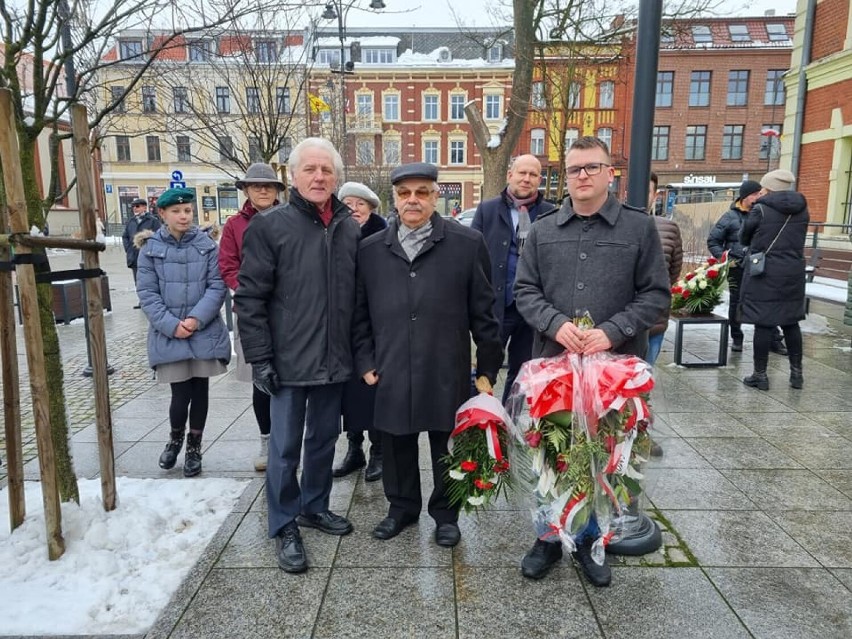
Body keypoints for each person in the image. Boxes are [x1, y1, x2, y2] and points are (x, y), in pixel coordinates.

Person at [514, 136, 670, 587]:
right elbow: (525, 291)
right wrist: (555, 323)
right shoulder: (543, 229)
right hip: (553, 369)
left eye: (591, 167)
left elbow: (656, 294)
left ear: (608, 173)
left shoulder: (638, 229)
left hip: (615, 373)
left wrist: (612, 331)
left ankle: (590, 541)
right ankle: (547, 538)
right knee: (551, 457)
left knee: (602, 461)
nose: (581, 176)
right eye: (574, 169)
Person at [352, 162, 503, 549]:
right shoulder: (370, 251)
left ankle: (445, 514)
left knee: (445, 444)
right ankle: (401, 508)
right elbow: (358, 313)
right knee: (396, 443)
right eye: (405, 193)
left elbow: (485, 313)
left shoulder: (467, 244)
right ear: (394, 199)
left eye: (423, 192)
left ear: (436, 196)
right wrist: (366, 362)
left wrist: (487, 372)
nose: (413, 200)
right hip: (390, 366)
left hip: (445, 365)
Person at [234, 138, 360, 574]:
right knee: (285, 449)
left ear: (337, 177)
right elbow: (249, 299)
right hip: (286, 363)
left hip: (334, 360)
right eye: (310, 169)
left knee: (324, 440)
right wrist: (260, 359)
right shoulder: (270, 227)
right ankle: (284, 522)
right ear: (292, 176)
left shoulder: (348, 227)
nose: (319, 177)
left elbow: (356, 299)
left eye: (326, 169)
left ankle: (315, 506)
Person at [135, 188, 231, 478]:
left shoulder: (206, 245)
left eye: (188, 210)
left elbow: (217, 286)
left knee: (199, 389)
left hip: (201, 330)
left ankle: (194, 446)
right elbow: (147, 293)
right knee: (179, 393)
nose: (183, 215)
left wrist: (194, 320)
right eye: (176, 211)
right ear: (162, 214)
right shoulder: (150, 249)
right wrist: (171, 325)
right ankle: (175, 438)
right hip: (169, 333)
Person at [471, 154, 558, 403]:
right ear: (510, 175)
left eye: (533, 175)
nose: (527, 179)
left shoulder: (550, 213)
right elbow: (472, 256)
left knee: (522, 371)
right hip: (495, 304)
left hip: (532, 308)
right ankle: (479, 419)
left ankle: (509, 422)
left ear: (539, 179)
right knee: (486, 368)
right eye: (522, 173)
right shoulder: (487, 210)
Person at [219, 163, 284, 472]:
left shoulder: (291, 220)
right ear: (245, 190)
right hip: (252, 315)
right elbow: (228, 266)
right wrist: (250, 295)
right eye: (255, 185)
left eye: (268, 186)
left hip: (288, 315)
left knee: (293, 382)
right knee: (261, 382)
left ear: (277, 191)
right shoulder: (234, 226)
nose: (262, 190)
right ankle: (268, 442)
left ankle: (289, 441)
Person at [332, 181, 388, 482]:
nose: (353, 209)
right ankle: (354, 449)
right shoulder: (336, 232)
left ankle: (378, 451)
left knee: (373, 388)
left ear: (370, 207)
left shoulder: (383, 235)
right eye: (348, 203)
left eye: (360, 204)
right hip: (342, 324)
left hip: (374, 324)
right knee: (348, 392)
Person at [739, 169, 809, 391]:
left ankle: (760, 375)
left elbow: (744, 236)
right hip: (793, 273)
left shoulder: (761, 209)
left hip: (766, 273)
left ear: (767, 188)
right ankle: (796, 375)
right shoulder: (802, 209)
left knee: (764, 322)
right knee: (791, 322)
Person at [708, 181, 787, 354]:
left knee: (766, 302)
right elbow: (713, 241)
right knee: (737, 303)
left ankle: (774, 339)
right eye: (755, 194)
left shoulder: (765, 213)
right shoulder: (730, 217)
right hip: (738, 266)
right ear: (745, 196)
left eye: (760, 193)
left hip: (761, 266)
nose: (759, 197)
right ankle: (737, 337)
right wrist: (726, 258)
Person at [646, 172, 683, 366]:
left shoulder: (669, 228)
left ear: (655, 195)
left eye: (648, 191)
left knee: (644, 379)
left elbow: (673, 272)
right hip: (616, 328)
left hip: (654, 322)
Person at [123, 197, 161, 308]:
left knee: (151, 278)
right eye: (133, 206)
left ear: (144, 207)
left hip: (148, 255)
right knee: (138, 280)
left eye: (138, 206)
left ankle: (154, 300)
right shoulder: (131, 221)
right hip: (134, 256)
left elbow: (158, 235)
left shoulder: (152, 220)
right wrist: (128, 248)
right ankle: (142, 301)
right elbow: (125, 236)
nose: (135, 208)